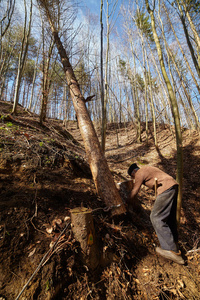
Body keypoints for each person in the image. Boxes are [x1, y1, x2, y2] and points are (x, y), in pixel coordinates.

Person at [127, 163, 184, 265]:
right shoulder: (147, 169)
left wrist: (125, 201)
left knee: (156, 217)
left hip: (166, 188)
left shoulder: (139, 172)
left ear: (133, 172)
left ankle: (171, 250)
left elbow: (135, 191)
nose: (133, 178)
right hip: (173, 186)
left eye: (132, 176)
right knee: (169, 218)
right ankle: (174, 244)